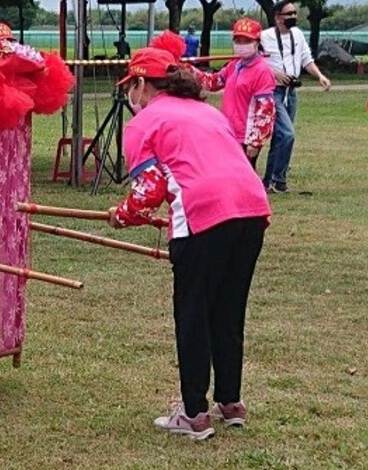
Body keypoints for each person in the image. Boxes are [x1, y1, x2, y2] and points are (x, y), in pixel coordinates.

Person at [106, 47, 271, 440]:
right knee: (228, 310)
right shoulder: (207, 112)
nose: (130, 96)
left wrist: (122, 214)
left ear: (141, 84)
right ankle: (230, 401)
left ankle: (194, 412)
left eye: (130, 87)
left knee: (193, 314)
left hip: (203, 216)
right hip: (251, 210)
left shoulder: (144, 123)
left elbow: (148, 191)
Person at [260, 0, 333, 192]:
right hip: (273, 91)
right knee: (287, 134)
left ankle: (272, 181)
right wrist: (276, 74)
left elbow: (306, 59)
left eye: (294, 13)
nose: (293, 17)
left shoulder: (298, 34)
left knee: (280, 137)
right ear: (278, 18)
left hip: (290, 92)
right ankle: (277, 178)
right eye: (289, 14)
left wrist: (320, 76)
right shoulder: (265, 37)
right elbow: (257, 62)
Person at [194, 18, 277, 168]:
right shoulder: (234, 65)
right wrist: (189, 70)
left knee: (243, 174)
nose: (242, 45)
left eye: (247, 41)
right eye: (238, 40)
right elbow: (213, 82)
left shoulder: (263, 71)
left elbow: (266, 109)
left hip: (245, 137)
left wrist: (256, 141)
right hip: (228, 131)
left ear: (257, 42)